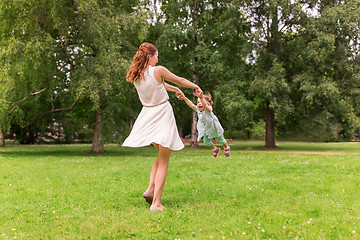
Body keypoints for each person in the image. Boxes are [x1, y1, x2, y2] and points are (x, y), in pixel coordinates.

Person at [122, 42, 202, 211]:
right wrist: (196, 86)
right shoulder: (158, 70)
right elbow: (179, 80)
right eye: (156, 55)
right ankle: (156, 203)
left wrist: (174, 90)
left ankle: (150, 190)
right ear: (149, 56)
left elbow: (160, 85)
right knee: (164, 160)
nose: (158, 59)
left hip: (147, 117)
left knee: (161, 157)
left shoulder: (139, 75)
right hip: (162, 115)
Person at [179, 91, 230, 158]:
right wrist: (185, 98)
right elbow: (191, 105)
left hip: (215, 128)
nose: (199, 104)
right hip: (207, 129)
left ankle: (226, 147)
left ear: (208, 104)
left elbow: (205, 105)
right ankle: (215, 149)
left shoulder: (208, 109)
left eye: (201, 102)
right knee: (206, 141)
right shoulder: (198, 110)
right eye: (198, 102)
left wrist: (201, 97)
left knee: (221, 140)